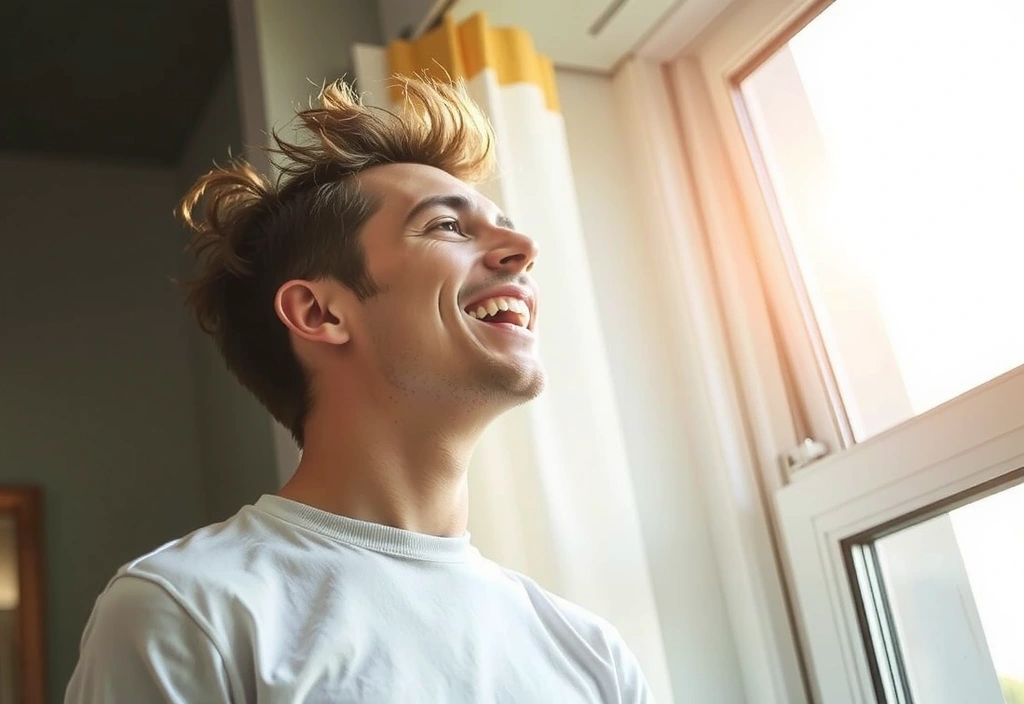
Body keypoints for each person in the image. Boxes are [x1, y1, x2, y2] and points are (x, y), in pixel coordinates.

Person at [65, 78, 653, 703]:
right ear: (319, 313)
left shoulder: (594, 658)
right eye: (449, 226)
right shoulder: (188, 614)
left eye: (504, 228)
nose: (525, 249)